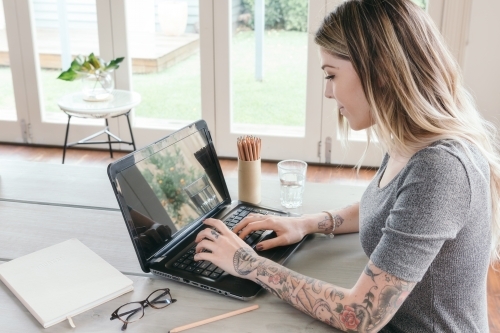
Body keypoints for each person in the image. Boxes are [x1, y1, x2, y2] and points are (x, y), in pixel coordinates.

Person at [193, 0, 500, 331]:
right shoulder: (408, 139)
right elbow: (389, 209)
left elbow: (360, 315)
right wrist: (308, 223)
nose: (327, 92)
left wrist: (247, 263)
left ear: (380, 70)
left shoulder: (440, 169)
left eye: (332, 75)